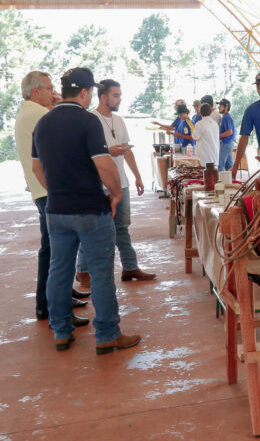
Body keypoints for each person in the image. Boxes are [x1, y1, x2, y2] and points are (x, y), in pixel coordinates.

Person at [31, 68, 140, 353]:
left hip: (56, 211)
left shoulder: (43, 124)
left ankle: (61, 332)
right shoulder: (87, 121)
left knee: (59, 271)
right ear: (84, 92)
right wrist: (116, 193)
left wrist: (56, 191)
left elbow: (36, 167)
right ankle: (107, 335)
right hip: (91, 208)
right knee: (101, 272)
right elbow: (104, 165)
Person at [14, 71, 90, 326]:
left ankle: (58, 299)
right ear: (35, 91)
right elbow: (64, 125)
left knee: (56, 249)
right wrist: (60, 105)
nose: (53, 93)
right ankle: (49, 306)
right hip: (49, 189)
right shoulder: (37, 114)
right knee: (57, 251)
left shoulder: (31, 112)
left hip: (44, 189)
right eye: (48, 89)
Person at [77, 79, 156, 286]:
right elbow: (82, 154)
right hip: (98, 184)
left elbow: (126, 150)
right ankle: (83, 271)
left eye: (119, 95)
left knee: (122, 227)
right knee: (93, 228)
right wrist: (108, 151)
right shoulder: (89, 119)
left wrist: (137, 176)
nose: (119, 99)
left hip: (121, 183)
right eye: (116, 95)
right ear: (103, 97)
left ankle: (130, 267)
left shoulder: (119, 120)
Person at [192, 103, 221, 168]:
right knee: (213, 174)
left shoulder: (199, 124)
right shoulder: (215, 124)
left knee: (204, 175)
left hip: (205, 157)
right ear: (210, 112)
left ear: (201, 112)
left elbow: (194, 137)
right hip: (215, 155)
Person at [218, 98, 236, 171]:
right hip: (228, 143)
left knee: (220, 165)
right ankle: (231, 181)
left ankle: (222, 182)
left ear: (226, 107)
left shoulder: (226, 117)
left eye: (221, 105)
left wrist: (218, 136)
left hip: (226, 143)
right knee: (229, 166)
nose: (219, 107)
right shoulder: (226, 117)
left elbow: (229, 132)